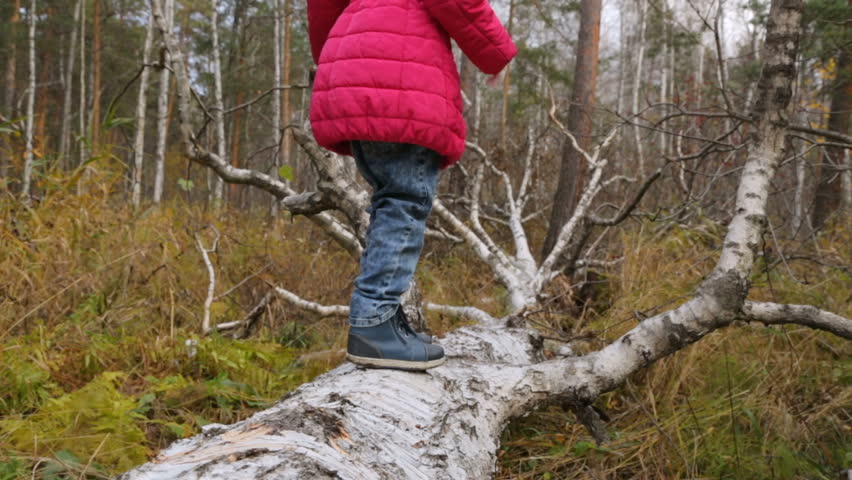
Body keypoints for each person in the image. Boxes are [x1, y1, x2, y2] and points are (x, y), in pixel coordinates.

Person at [307, 0, 517, 371]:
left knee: (391, 199)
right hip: (400, 80)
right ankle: (373, 323)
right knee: (404, 201)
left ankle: (383, 320)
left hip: (352, 67)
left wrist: (335, 57)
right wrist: (495, 51)